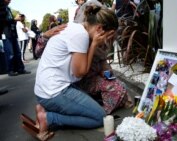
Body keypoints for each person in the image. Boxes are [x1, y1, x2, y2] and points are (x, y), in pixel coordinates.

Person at [22, 5, 118, 140]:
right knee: (99, 117)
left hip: (46, 88)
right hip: (53, 91)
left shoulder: (75, 28)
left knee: (91, 105)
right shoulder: (81, 35)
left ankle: (45, 109)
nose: (108, 41)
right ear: (100, 29)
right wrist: (95, 44)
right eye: (109, 36)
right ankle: (48, 118)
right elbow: (80, 72)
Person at [1, 0, 31, 76]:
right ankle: (10, 70)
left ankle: (20, 69)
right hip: (6, 33)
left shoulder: (8, 8)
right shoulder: (1, 7)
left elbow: (10, 21)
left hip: (12, 32)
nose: (10, 1)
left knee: (17, 52)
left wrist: (15, 20)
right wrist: (14, 19)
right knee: (10, 53)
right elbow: (2, 20)